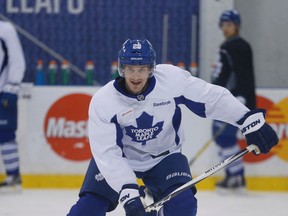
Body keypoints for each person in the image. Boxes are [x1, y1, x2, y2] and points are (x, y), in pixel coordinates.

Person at [67, 39, 278, 216]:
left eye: (142, 69)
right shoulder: (104, 101)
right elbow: (106, 152)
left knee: (183, 207)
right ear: (121, 69)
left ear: (152, 68)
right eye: (130, 69)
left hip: (164, 157)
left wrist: (247, 121)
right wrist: (128, 192)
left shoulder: (171, 80)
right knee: (87, 209)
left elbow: (211, 98)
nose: (136, 76)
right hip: (121, 159)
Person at [211, 9, 256, 192]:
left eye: (229, 25)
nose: (226, 28)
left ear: (237, 26)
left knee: (224, 136)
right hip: (225, 99)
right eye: (224, 25)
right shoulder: (227, 45)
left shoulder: (240, 46)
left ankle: (235, 178)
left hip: (235, 99)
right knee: (222, 137)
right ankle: (235, 177)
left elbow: (244, 75)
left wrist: (241, 96)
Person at [0, 19, 26, 190]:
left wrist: (11, 87)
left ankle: (13, 175)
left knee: (5, 133)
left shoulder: (5, 28)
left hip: (3, 91)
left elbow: (17, 60)